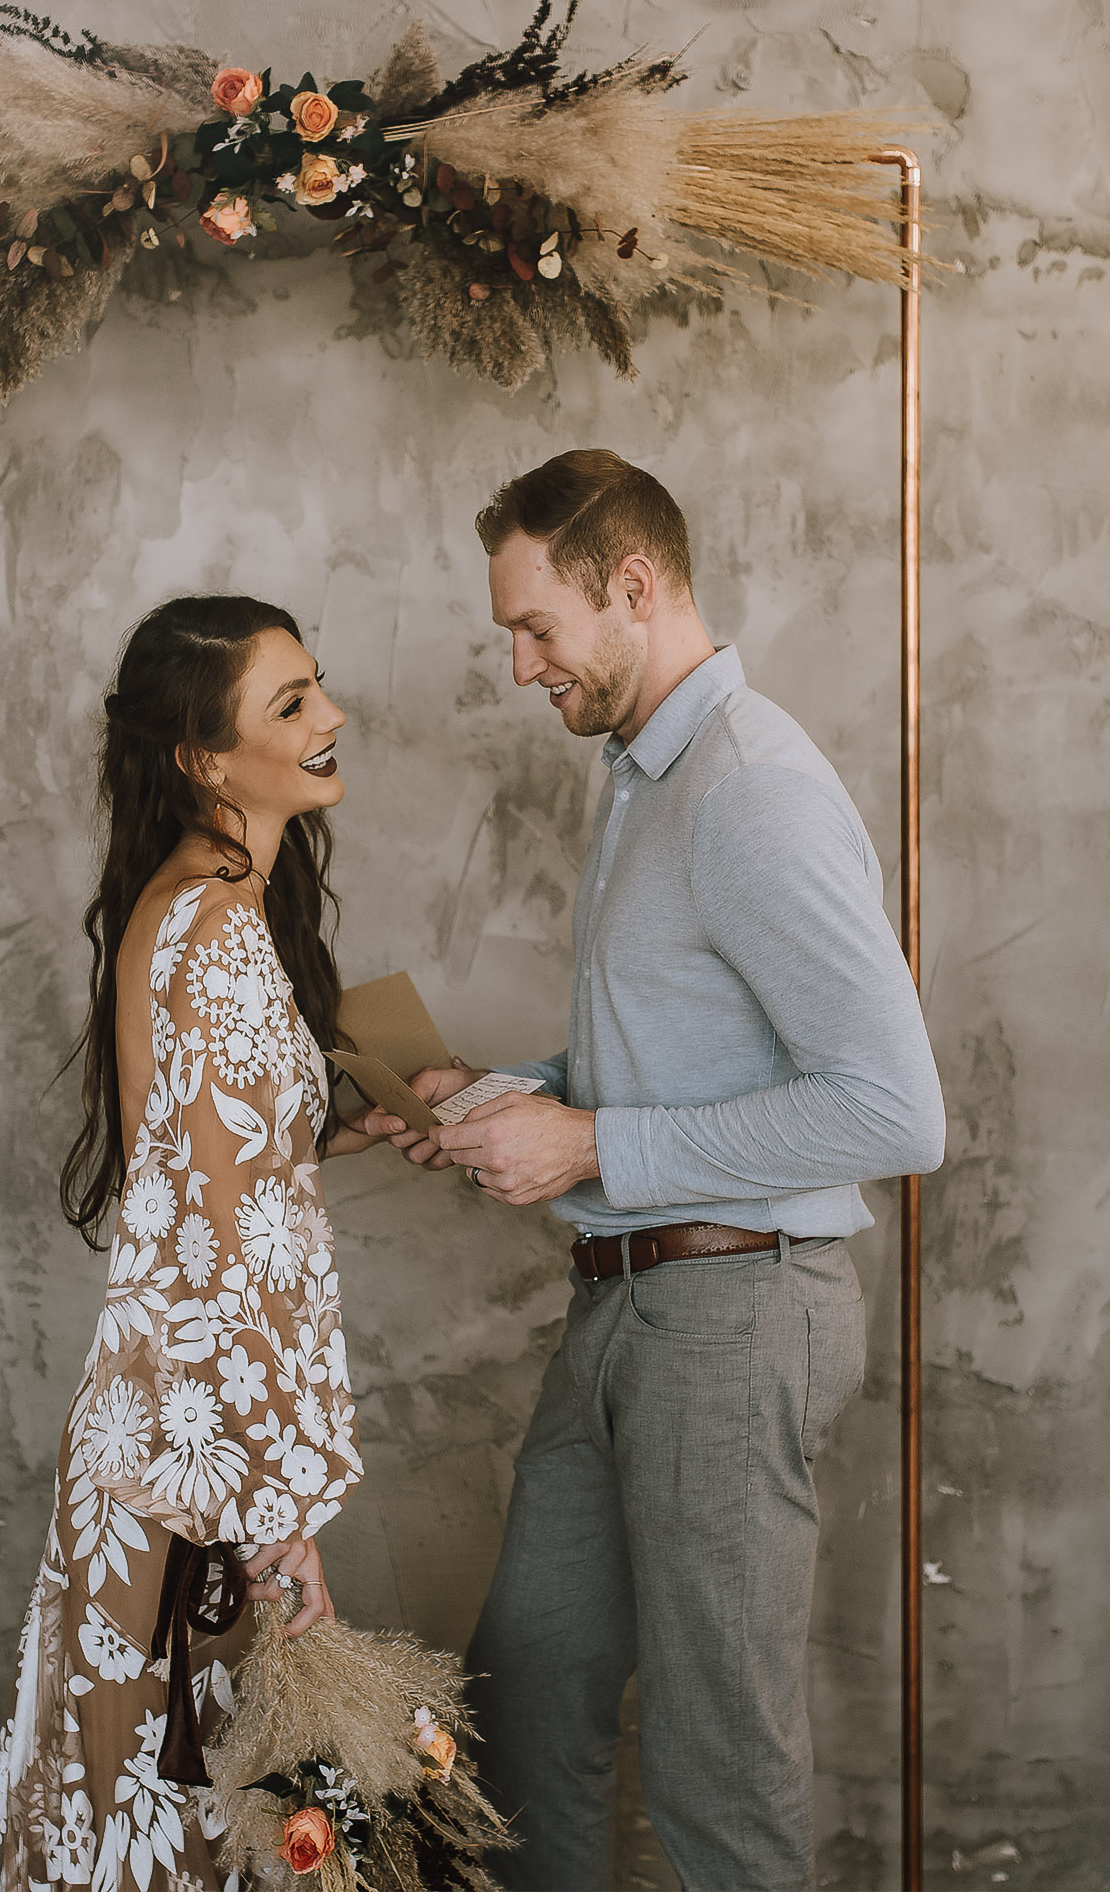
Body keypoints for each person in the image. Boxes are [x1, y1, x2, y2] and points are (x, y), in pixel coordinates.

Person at [370, 451, 946, 1891]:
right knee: (526, 1697)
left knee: (718, 1767)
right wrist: (510, 1093)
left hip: (738, 1316)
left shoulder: (750, 786)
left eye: (535, 627)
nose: (518, 667)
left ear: (635, 588)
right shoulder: (642, 775)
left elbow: (894, 1109)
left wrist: (594, 1145)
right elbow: (688, 1059)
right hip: (624, 1301)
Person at [0, 596, 394, 1892]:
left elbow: (210, 1170)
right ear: (204, 761)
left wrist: (354, 1127)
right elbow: (219, 1249)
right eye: (290, 704)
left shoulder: (210, 902)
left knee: (156, 1836)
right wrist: (276, 1516)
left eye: (318, 688)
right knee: (179, 1845)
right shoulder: (215, 927)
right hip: (189, 1467)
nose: (329, 718)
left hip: (170, 1448)